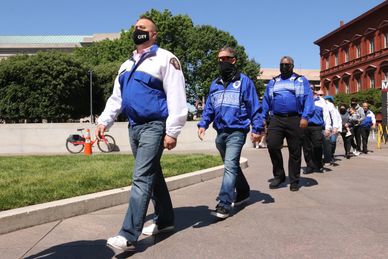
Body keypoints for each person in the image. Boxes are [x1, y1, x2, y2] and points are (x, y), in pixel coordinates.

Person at [96, 16, 188, 251]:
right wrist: (104, 121)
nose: (138, 30)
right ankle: (166, 219)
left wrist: (173, 130)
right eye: (136, 27)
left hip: (154, 125)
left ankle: (128, 235)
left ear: (154, 34)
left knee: (141, 177)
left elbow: (176, 95)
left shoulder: (166, 58)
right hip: (134, 127)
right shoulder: (126, 64)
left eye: (143, 28)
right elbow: (116, 97)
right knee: (152, 174)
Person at [197, 47, 263, 219]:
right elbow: (209, 107)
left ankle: (224, 203)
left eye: (226, 58)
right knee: (231, 165)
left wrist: (257, 129)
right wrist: (203, 124)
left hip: (237, 131)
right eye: (219, 59)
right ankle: (243, 191)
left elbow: (254, 107)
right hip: (221, 133)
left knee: (230, 165)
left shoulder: (244, 82)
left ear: (233, 60)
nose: (222, 62)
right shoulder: (215, 84)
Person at [262, 56, 314, 191]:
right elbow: (266, 100)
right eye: (282, 64)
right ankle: (279, 176)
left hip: (295, 119)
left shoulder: (301, 80)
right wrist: (262, 117)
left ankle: (294, 180)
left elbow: (308, 99)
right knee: (272, 145)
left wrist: (305, 117)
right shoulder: (273, 82)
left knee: (295, 151)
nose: (284, 66)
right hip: (276, 119)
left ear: (292, 66)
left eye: (287, 64)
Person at [302, 89, 331, 174]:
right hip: (305, 127)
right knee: (306, 147)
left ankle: (318, 164)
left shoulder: (321, 101)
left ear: (315, 91)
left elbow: (326, 115)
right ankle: (309, 166)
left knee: (317, 146)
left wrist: (327, 128)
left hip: (317, 126)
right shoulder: (303, 100)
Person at [323, 95, 342, 165]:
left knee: (332, 142)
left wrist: (337, 128)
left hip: (333, 128)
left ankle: (331, 155)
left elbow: (337, 118)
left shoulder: (333, 108)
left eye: (328, 100)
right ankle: (328, 157)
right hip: (326, 127)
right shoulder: (324, 106)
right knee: (327, 143)